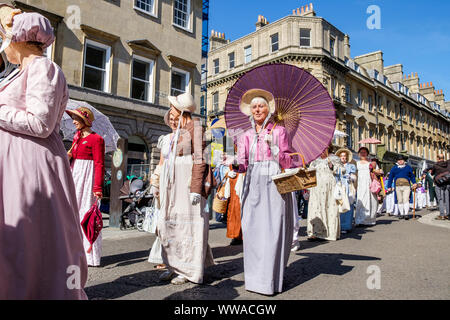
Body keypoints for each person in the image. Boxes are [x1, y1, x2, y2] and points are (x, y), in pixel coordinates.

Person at [0, 7, 87, 299]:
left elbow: (41, 123)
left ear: (19, 39)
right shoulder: (20, 72)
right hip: (16, 164)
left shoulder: (42, 67)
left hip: (31, 164)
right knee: (15, 238)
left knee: (29, 238)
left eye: (4, 38)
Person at [237, 89, 294, 295]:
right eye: (254, 107)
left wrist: (276, 149)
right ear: (250, 111)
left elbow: (289, 161)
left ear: (268, 109)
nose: (257, 109)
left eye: (261, 106)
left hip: (273, 179)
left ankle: (269, 280)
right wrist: (234, 165)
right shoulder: (246, 135)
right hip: (252, 182)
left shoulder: (279, 131)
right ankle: (254, 280)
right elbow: (243, 164)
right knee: (252, 228)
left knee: (272, 230)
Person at [157, 93, 214, 285]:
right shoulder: (178, 131)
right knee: (172, 223)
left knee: (188, 226)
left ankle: (189, 269)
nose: (170, 110)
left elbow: (200, 158)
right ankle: (174, 265)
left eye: (173, 107)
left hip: (186, 182)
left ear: (181, 110)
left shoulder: (196, 127)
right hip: (173, 183)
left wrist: (196, 189)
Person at [66, 107, 105, 267]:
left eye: (76, 118)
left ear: (85, 120)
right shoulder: (77, 137)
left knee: (86, 214)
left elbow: (99, 163)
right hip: (74, 174)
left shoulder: (97, 139)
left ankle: (90, 256)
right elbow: (72, 157)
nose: (74, 121)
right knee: (72, 213)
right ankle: (74, 252)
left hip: (87, 177)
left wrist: (97, 187)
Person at [307, 145, 343, 240]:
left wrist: (332, 166)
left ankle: (329, 232)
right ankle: (316, 232)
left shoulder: (334, 158)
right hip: (316, 187)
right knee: (316, 207)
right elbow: (310, 172)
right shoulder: (315, 160)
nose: (322, 150)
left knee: (329, 206)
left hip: (329, 187)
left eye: (324, 148)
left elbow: (342, 170)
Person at [387, 155, 417, 220]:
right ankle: (401, 213)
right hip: (397, 186)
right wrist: (389, 186)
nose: (400, 161)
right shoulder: (394, 168)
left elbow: (412, 176)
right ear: (397, 161)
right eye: (399, 160)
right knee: (399, 200)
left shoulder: (408, 167)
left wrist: (414, 183)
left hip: (407, 186)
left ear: (404, 161)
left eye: (401, 160)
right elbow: (390, 177)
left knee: (406, 199)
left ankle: (406, 214)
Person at [355, 147, 379, 226]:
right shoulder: (356, 163)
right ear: (358, 154)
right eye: (361, 152)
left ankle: (369, 219)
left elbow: (379, 173)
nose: (363, 154)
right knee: (361, 200)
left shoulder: (371, 163)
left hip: (369, 183)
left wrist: (374, 169)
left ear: (367, 154)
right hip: (360, 184)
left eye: (364, 152)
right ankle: (360, 220)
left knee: (371, 200)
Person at [336, 148, 356, 233]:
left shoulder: (351, 166)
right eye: (341, 156)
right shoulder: (336, 166)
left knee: (347, 206)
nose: (343, 158)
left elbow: (354, 177)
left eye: (344, 156)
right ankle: (339, 226)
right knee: (339, 205)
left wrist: (350, 177)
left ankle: (346, 226)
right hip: (338, 187)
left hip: (347, 187)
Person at [425, 154, 450, 220]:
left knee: (440, 199)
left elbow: (432, 173)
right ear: (443, 158)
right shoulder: (448, 164)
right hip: (447, 183)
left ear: (438, 158)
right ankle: (448, 214)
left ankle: (442, 215)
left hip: (439, 184)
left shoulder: (436, 165)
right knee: (447, 199)